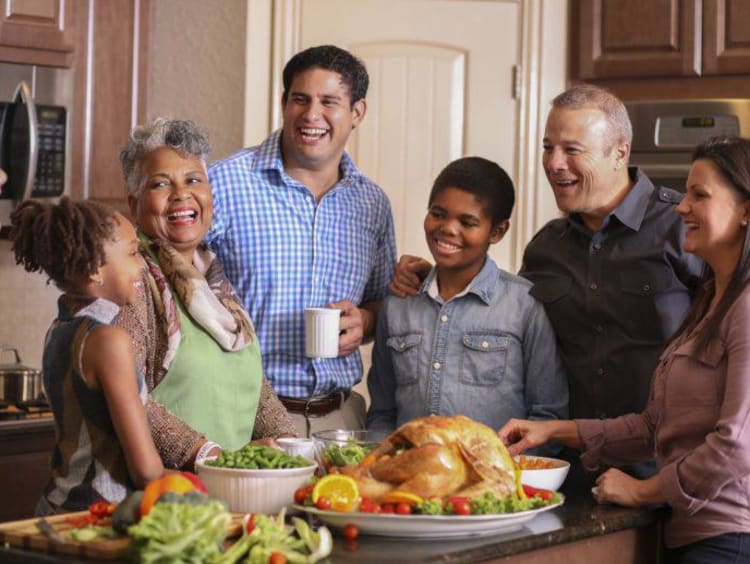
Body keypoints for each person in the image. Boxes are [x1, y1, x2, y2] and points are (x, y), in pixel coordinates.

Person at [391, 84, 703, 480]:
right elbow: (498, 322)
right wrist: (433, 278)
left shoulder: (683, 228)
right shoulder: (545, 249)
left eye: (572, 150)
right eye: (547, 147)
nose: (554, 163)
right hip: (569, 474)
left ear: (619, 152)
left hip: (672, 474)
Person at [499, 135, 750, 564]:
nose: (682, 207)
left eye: (699, 195)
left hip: (729, 539)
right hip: (691, 532)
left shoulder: (746, 306)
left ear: (746, 210)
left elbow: (737, 446)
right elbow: (655, 428)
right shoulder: (710, 302)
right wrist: (552, 430)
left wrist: (642, 489)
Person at [207, 45, 397, 436]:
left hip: (341, 419)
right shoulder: (223, 183)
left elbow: (381, 300)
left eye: (329, 102)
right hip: (241, 416)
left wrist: (366, 319)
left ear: (357, 113)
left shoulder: (372, 203)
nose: (312, 115)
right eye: (300, 99)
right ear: (283, 103)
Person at [116, 118, 295, 470]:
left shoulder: (213, 278)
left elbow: (250, 385)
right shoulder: (133, 283)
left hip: (234, 486)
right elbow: (126, 393)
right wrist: (208, 454)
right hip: (174, 493)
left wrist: (290, 443)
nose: (182, 194)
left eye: (194, 180)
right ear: (134, 203)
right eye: (161, 184)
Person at [367, 157, 568, 441]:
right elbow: (382, 414)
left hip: (497, 480)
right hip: (411, 481)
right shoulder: (399, 304)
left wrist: (508, 472)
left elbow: (547, 416)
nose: (448, 228)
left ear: (497, 231)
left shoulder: (524, 306)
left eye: (468, 222)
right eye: (438, 213)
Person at [9, 197, 164, 513]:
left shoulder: (61, 329)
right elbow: (146, 470)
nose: (142, 265)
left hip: (57, 507)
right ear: (95, 269)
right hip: (99, 515)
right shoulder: (109, 340)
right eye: (134, 253)